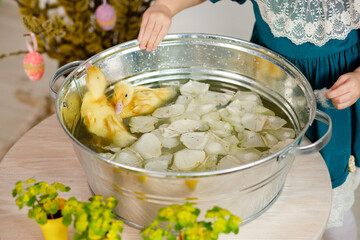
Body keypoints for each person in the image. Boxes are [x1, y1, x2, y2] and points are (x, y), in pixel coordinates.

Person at [138, 0, 360, 239]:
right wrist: (165, 6)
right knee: (266, 177)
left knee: (330, 193)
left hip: (335, 91)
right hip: (270, 83)